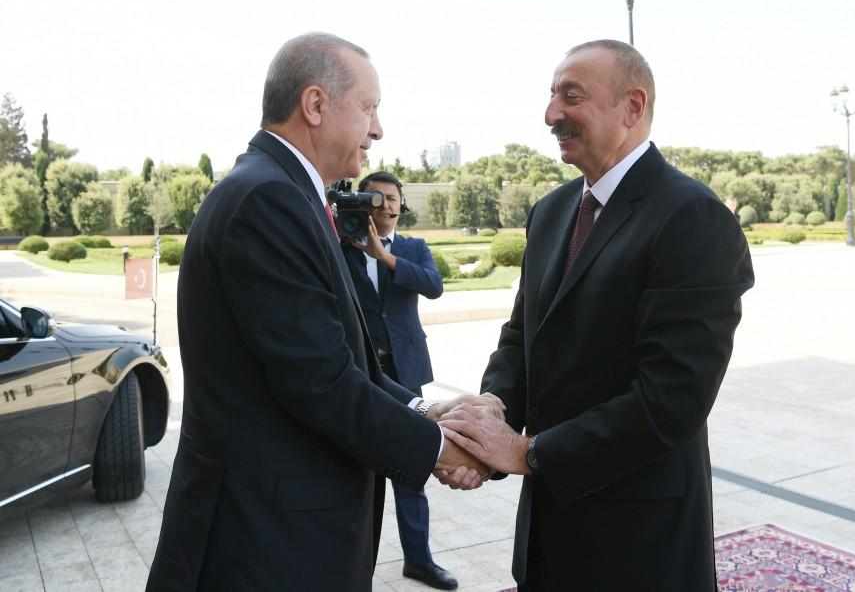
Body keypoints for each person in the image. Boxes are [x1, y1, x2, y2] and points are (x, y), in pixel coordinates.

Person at [146, 33, 494, 592]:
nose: (378, 128)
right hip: (263, 543)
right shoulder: (268, 200)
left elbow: (349, 362)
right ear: (315, 105)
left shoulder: (287, 192)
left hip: (280, 534)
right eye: (369, 107)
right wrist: (442, 450)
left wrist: (428, 411)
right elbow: (322, 383)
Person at [441, 39, 755, 591]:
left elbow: (671, 399)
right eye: (551, 96)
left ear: (632, 107)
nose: (550, 114)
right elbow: (521, 336)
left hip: (638, 545)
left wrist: (527, 452)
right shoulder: (553, 211)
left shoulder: (692, 218)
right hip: (549, 534)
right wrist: (494, 409)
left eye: (572, 96)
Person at [342, 171, 457, 590]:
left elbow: (434, 286)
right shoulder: (341, 248)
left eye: (392, 198)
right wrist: (360, 248)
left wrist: (384, 256)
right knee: (360, 474)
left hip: (405, 374)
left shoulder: (412, 248)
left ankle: (419, 560)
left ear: (400, 204)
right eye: (376, 197)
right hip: (360, 376)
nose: (385, 205)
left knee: (412, 466)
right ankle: (355, 567)